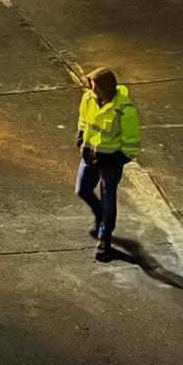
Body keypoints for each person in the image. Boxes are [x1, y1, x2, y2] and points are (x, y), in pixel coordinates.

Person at [76, 68, 142, 261]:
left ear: (105, 87)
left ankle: (105, 238)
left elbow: (132, 141)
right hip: (90, 156)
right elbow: (83, 119)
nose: (91, 88)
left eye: (94, 85)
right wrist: (81, 139)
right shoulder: (88, 99)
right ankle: (100, 216)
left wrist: (118, 159)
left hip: (110, 162)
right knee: (82, 190)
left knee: (108, 199)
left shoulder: (124, 109)